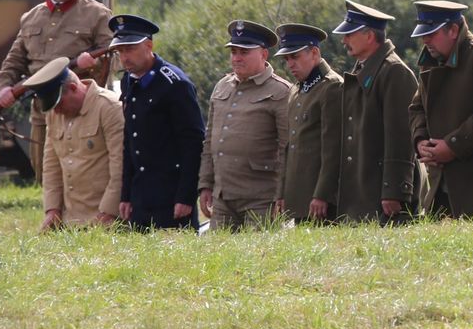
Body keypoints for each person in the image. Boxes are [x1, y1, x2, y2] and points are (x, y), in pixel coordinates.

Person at [0, 0, 113, 182]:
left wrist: (93, 64)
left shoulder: (97, 14)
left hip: (81, 112)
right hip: (43, 111)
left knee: (84, 176)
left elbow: (114, 57)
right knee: (47, 176)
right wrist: (4, 88)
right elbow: (13, 62)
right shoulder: (31, 18)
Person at [409, 0, 473, 218]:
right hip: (438, 184)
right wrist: (421, 141)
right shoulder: (430, 59)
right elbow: (417, 107)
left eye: (432, 34)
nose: (425, 40)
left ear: (453, 30)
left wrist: (451, 146)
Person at [109, 14, 204, 230]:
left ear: (149, 45)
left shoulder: (174, 84)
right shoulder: (129, 81)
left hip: (170, 195)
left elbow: (193, 143)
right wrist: (126, 194)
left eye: (130, 49)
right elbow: (130, 140)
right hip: (141, 195)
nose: (124, 57)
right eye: (120, 51)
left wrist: (186, 196)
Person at [197, 20, 292, 230]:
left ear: (263, 54)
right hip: (223, 198)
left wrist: (284, 194)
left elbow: (289, 149)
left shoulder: (280, 92)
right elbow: (209, 141)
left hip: (261, 199)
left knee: (259, 258)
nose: (237, 58)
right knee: (217, 259)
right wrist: (205, 184)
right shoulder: (223, 86)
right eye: (234, 52)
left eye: (244, 52)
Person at [333, 0, 419, 224]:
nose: (344, 40)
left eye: (350, 35)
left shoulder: (394, 72)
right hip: (366, 190)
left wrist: (395, 190)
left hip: (383, 194)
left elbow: (400, 137)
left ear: (369, 36)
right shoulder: (366, 68)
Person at [20, 57, 123, 231]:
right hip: (69, 222)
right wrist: (52, 210)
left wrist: (108, 212)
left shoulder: (109, 108)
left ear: (74, 88)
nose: (56, 111)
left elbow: (120, 165)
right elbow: (51, 165)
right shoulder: (54, 113)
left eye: (59, 104)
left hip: (105, 219)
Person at [274, 23, 342, 223]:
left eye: (295, 56)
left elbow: (333, 147)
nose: (290, 64)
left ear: (314, 52)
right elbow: (289, 146)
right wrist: (282, 192)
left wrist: (322, 194)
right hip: (299, 196)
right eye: (287, 59)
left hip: (322, 200)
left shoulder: (332, 87)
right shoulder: (296, 90)